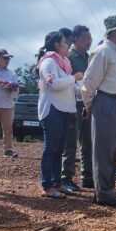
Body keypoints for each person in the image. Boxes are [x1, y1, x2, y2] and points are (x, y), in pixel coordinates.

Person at [81, 14, 116, 207]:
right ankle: (103, 193)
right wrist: (88, 105)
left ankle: (107, 190)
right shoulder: (103, 51)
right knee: (104, 152)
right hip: (107, 103)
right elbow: (89, 82)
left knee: (114, 151)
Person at [37, 32, 82, 198]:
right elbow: (54, 84)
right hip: (52, 110)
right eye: (65, 42)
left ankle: (57, 183)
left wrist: (85, 89)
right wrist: (74, 78)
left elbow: (69, 86)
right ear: (56, 44)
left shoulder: (64, 62)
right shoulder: (49, 61)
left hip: (64, 110)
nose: (68, 45)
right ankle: (47, 186)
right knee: (51, 149)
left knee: (59, 149)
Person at [62, 24, 94, 190]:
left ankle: (87, 176)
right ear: (75, 39)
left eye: (90, 38)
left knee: (88, 140)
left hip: (87, 103)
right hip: (71, 104)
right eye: (86, 38)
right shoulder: (68, 57)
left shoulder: (89, 57)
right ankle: (65, 177)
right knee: (70, 142)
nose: (90, 41)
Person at [0, 49, 20, 158]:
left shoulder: (12, 72)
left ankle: (8, 150)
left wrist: (14, 88)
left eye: (8, 58)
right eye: (5, 58)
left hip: (8, 104)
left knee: (8, 128)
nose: (7, 60)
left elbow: (16, 91)